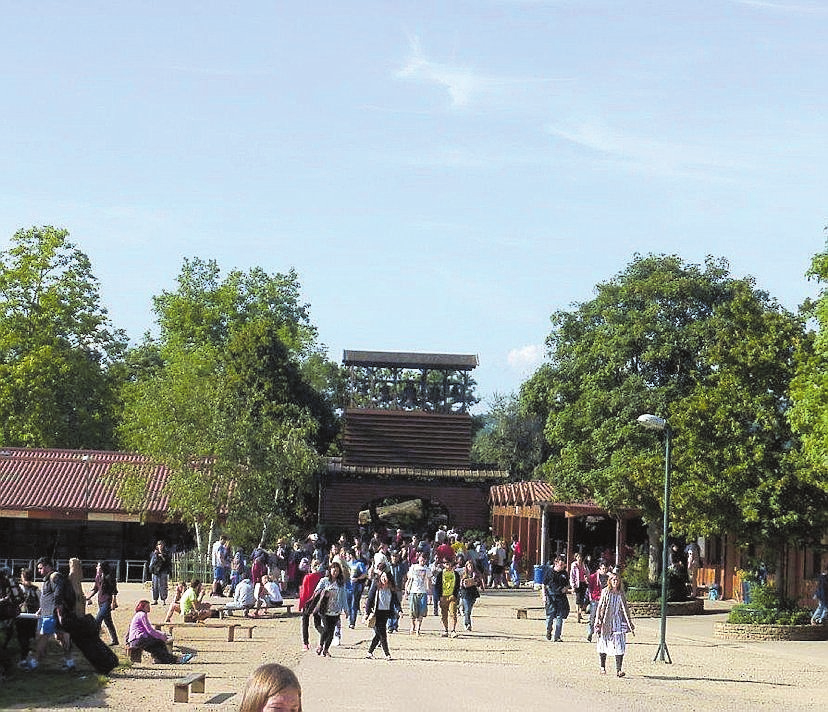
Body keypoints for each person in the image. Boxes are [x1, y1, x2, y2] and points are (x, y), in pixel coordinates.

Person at [29, 557, 75, 671]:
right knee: (62, 638)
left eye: (40, 568)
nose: (39, 571)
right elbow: (49, 596)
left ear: (47, 566)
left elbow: (57, 596)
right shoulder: (49, 579)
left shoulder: (55, 577)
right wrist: (41, 608)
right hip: (51, 613)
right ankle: (70, 662)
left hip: (52, 615)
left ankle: (34, 663)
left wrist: (59, 615)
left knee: (43, 638)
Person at [594, 568, 635, 677]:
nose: (615, 582)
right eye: (613, 580)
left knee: (619, 644)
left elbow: (625, 608)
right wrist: (598, 620)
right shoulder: (605, 592)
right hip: (606, 621)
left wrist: (629, 622)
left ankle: (619, 670)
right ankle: (602, 666)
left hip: (617, 621)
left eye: (617, 580)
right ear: (610, 581)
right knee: (604, 642)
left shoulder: (621, 593)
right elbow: (600, 606)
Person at [126, 599, 195, 664]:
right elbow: (150, 630)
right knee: (159, 642)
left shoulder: (138, 614)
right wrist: (162, 636)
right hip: (138, 639)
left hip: (136, 639)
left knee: (156, 647)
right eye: (147, 606)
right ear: (143, 607)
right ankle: (175, 659)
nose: (149, 608)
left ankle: (163, 659)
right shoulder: (142, 615)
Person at [312, 561, 348, 657]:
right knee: (326, 629)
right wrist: (325, 592)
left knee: (331, 633)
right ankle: (320, 645)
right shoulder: (324, 581)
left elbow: (344, 597)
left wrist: (346, 609)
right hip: (324, 609)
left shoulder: (340, 583)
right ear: (330, 570)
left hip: (336, 611)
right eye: (333, 570)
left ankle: (326, 649)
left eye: (337, 571)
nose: (335, 572)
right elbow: (316, 591)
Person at [364, 570, 400, 660]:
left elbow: (396, 601)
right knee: (383, 634)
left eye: (385, 577)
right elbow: (370, 600)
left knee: (378, 634)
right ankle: (387, 654)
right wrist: (366, 613)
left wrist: (399, 610)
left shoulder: (391, 589)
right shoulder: (376, 587)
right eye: (382, 577)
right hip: (377, 613)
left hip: (386, 613)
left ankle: (369, 652)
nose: (384, 578)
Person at [86, 561, 119, 645]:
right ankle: (115, 640)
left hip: (107, 601)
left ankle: (93, 640)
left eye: (98, 566)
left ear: (102, 568)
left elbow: (114, 590)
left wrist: (114, 602)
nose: (97, 568)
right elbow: (96, 589)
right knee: (108, 622)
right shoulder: (97, 577)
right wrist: (88, 597)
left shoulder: (109, 576)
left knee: (97, 620)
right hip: (100, 601)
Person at [542, 555, 571, 642]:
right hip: (551, 596)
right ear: (556, 563)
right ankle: (548, 630)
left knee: (560, 616)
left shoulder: (564, 573)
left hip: (561, 597)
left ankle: (557, 636)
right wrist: (544, 596)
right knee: (550, 616)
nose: (561, 567)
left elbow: (568, 584)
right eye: (560, 565)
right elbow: (543, 584)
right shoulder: (549, 572)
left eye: (563, 565)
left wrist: (566, 588)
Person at [16, 568, 40, 669]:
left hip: (21, 617)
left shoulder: (18, 589)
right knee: (30, 638)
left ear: (22, 577)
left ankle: (23, 659)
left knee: (22, 638)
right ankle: (28, 657)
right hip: (33, 618)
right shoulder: (36, 589)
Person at [298, 559, 324, 651]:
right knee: (317, 623)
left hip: (308, 602)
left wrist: (301, 605)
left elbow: (304, 593)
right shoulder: (321, 577)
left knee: (305, 623)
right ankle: (323, 635)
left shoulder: (307, 577)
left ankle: (306, 643)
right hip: (318, 602)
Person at [404, 550, 431, 636]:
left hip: (423, 592)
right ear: (418, 558)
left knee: (421, 611)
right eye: (421, 558)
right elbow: (409, 579)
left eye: (424, 559)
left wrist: (429, 592)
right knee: (413, 611)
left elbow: (428, 580)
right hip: (413, 591)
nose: (423, 560)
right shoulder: (413, 567)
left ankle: (418, 629)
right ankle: (413, 625)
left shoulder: (427, 569)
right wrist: (406, 590)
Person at [436, 556, 461, 637]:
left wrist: (454, 595)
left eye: (449, 563)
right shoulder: (440, 574)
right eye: (446, 564)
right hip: (443, 596)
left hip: (452, 597)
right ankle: (445, 630)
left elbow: (457, 586)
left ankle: (453, 630)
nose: (448, 565)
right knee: (444, 614)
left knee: (453, 613)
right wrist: (439, 596)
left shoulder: (456, 574)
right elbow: (438, 585)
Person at [586, 560, 610, 643]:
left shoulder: (609, 577)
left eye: (606, 568)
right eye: (603, 568)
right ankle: (590, 632)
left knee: (604, 618)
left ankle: (600, 633)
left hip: (605, 600)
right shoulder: (594, 576)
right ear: (600, 568)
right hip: (595, 599)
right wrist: (591, 596)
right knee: (593, 617)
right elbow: (589, 586)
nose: (604, 570)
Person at [459, 559, 484, 632]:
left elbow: (479, 583)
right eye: (469, 566)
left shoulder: (476, 574)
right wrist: (465, 583)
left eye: (471, 566)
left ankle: (464, 613)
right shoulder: (463, 574)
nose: (470, 568)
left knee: (469, 609)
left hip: (473, 594)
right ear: (466, 567)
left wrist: (476, 582)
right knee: (467, 610)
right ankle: (467, 624)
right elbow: (461, 585)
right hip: (465, 593)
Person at [149, 540, 173, 605]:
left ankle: (164, 600)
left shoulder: (166, 553)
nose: (160, 546)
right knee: (155, 586)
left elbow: (167, 561)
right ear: (157, 546)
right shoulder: (154, 553)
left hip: (163, 571)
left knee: (163, 586)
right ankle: (155, 599)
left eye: (161, 545)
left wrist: (162, 556)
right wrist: (156, 555)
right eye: (159, 545)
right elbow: (152, 563)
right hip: (155, 572)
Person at [569, 552, 589, 623]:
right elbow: (572, 576)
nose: (579, 559)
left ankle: (580, 611)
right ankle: (578, 613)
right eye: (578, 557)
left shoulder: (584, 565)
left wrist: (587, 578)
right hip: (577, 584)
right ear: (576, 558)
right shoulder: (574, 565)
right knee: (578, 598)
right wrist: (572, 585)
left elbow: (587, 573)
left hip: (583, 583)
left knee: (583, 598)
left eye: (580, 557)